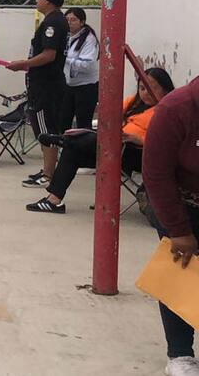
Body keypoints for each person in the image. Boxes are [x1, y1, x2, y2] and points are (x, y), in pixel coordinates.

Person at [27, 67, 174, 214]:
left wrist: (139, 140)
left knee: (83, 142)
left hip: (138, 153)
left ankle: (63, 140)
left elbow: (167, 144)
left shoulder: (166, 111)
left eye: (151, 88)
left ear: (166, 90)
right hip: (115, 147)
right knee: (73, 150)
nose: (145, 93)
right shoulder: (132, 103)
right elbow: (109, 119)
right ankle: (53, 200)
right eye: (142, 88)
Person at [142, 75, 199, 375]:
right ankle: (180, 354)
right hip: (180, 205)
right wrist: (179, 231)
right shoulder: (175, 109)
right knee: (182, 273)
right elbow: (156, 174)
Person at [5, 0, 68, 189]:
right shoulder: (53, 21)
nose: (36, 0)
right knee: (43, 127)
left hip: (46, 85)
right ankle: (46, 170)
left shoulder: (53, 23)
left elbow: (49, 55)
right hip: (44, 83)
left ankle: (49, 175)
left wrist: (24, 64)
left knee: (46, 128)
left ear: (48, 0)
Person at [61, 7, 99, 131]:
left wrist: (64, 60)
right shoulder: (66, 36)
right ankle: (65, 148)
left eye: (73, 20)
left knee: (83, 123)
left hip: (86, 87)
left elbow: (87, 65)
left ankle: (82, 150)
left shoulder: (89, 39)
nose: (69, 23)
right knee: (63, 119)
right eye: (67, 20)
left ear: (82, 22)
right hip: (68, 85)